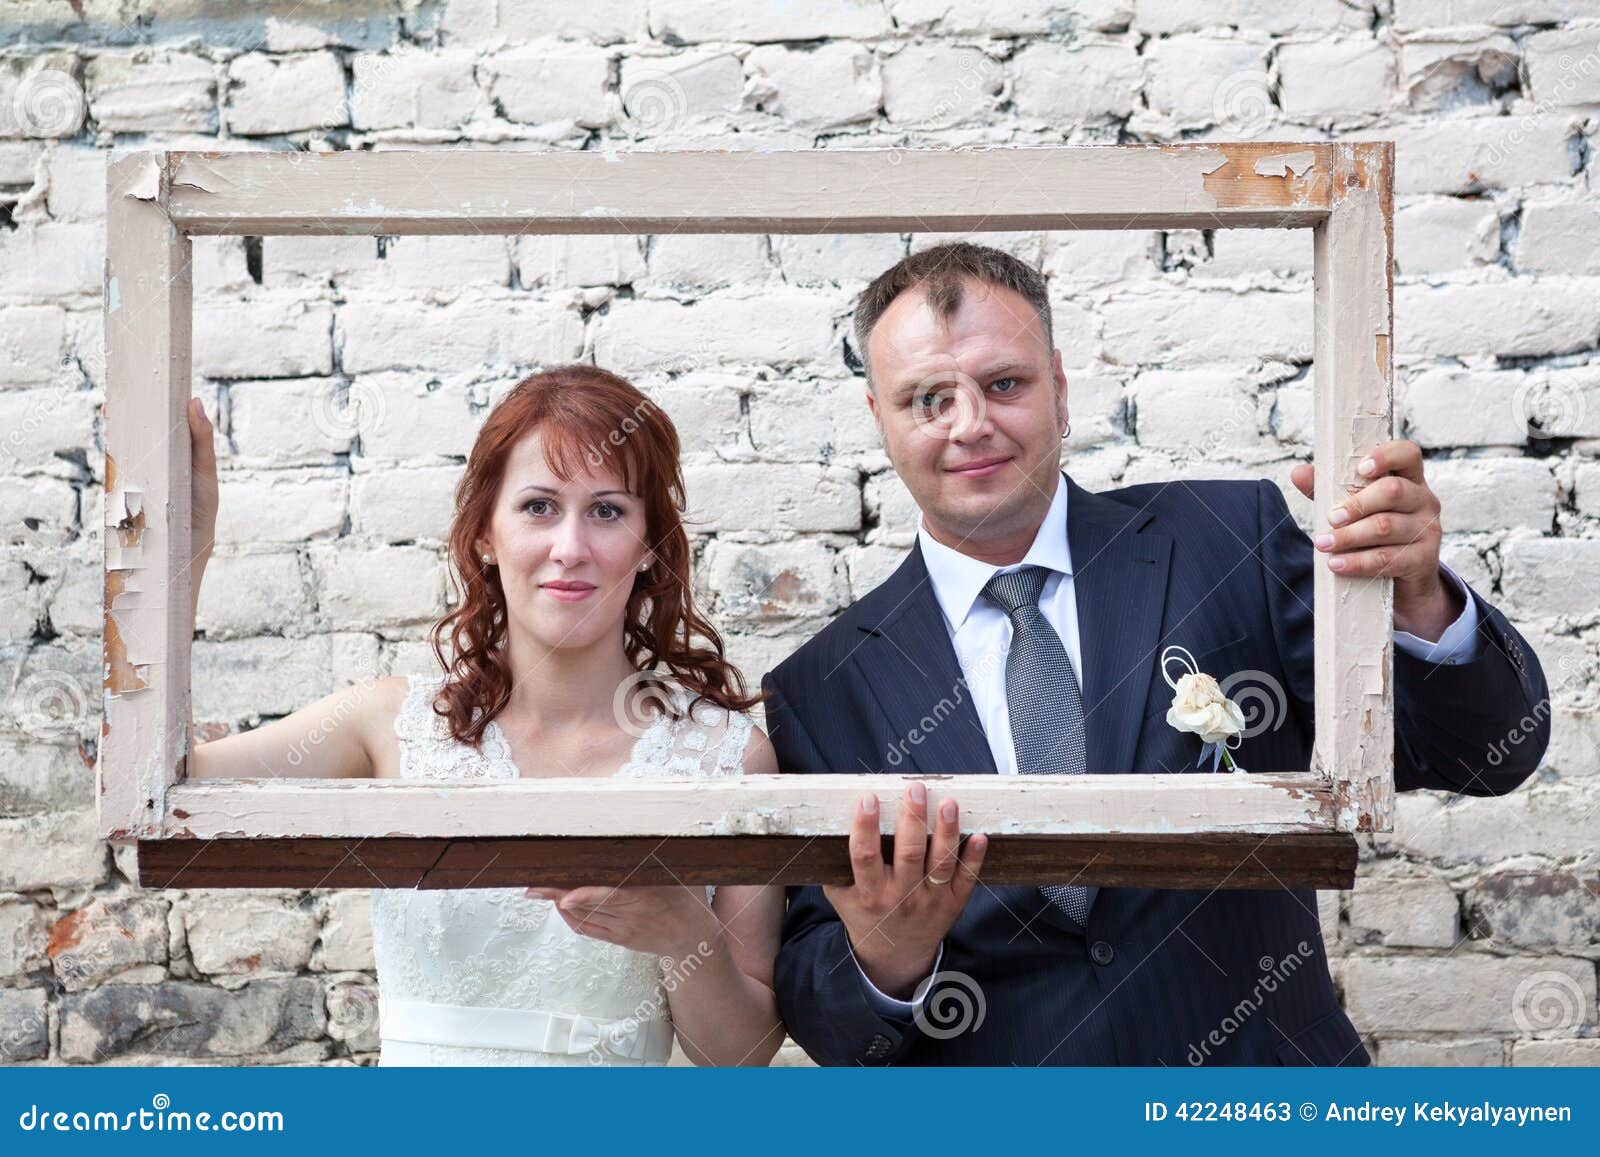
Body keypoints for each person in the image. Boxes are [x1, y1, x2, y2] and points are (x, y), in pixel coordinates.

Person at [761, 242, 1551, 1066]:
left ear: (1060, 391)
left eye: (1005, 384)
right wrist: (887, 958)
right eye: (928, 399)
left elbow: (1487, 757)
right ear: (879, 420)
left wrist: (1418, 595)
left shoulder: (1226, 543)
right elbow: (824, 1019)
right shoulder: (820, 688)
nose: (971, 424)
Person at [185, 364, 786, 1067]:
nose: (570, 547)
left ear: (648, 547)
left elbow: (742, 1055)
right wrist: (182, 551)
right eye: (538, 506)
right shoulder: (387, 724)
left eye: (608, 510)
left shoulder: (728, 757)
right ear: (483, 534)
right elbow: (160, 785)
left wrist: (687, 934)